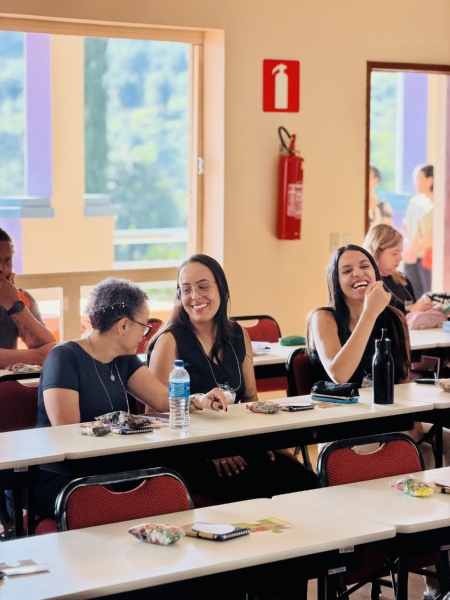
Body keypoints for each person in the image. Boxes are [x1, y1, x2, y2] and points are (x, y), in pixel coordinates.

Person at [32, 277, 227, 518]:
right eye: (144, 327)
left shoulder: (124, 359)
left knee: (171, 487)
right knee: (136, 504)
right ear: (124, 326)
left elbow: (162, 400)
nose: (144, 336)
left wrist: (198, 399)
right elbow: (69, 432)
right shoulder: (63, 358)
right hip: (63, 476)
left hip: (110, 467)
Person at [148, 254, 317, 504]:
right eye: (186, 289)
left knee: (306, 481)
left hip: (237, 444)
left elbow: (250, 399)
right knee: (255, 489)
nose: (195, 296)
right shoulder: (169, 341)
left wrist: (264, 441)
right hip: (192, 452)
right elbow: (153, 415)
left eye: (203, 286)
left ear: (221, 288)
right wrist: (210, 449)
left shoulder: (238, 335)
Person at [306, 244, 409, 387]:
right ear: (336, 281)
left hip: (384, 400)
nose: (358, 273)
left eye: (365, 266)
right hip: (337, 401)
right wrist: (370, 312)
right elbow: (340, 376)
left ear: (375, 273)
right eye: (347, 270)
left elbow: (403, 382)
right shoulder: (323, 318)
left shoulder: (395, 317)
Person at [0, 227, 56, 368]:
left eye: (7, 260)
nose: (2, 269)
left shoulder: (21, 298)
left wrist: (14, 306)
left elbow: (50, 349)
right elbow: (42, 354)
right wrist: (35, 356)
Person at [363, 224, 433, 314]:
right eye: (395, 253)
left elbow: (415, 311)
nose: (400, 258)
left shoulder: (403, 281)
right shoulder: (366, 288)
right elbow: (375, 320)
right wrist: (410, 312)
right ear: (376, 252)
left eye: (400, 252)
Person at [402, 165, 434, 298]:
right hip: (411, 255)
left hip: (428, 256)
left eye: (419, 179)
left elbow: (438, 234)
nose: (416, 183)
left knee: (429, 296)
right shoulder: (415, 201)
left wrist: (415, 247)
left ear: (430, 180)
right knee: (411, 295)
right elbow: (406, 225)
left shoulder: (440, 203)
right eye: (414, 180)